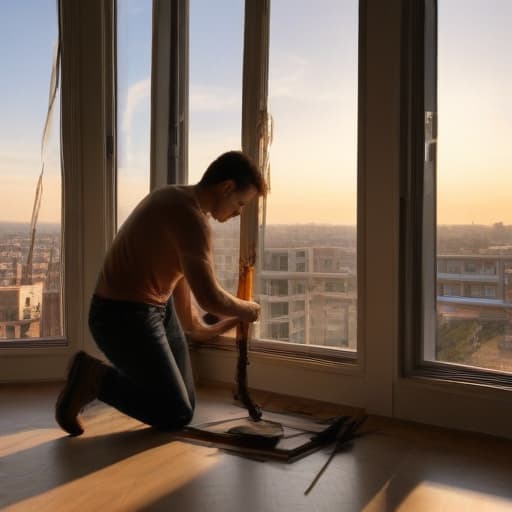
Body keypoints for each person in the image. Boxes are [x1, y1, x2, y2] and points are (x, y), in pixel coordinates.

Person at [55, 150, 266, 436]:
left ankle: (100, 380)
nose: (239, 212)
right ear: (226, 187)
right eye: (240, 203)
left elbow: (192, 324)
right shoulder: (191, 220)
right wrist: (247, 309)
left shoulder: (172, 198)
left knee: (185, 405)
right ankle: (93, 378)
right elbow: (210, 299)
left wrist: (231, 322)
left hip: (153, 309)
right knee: (175, 412)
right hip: (120, 316)